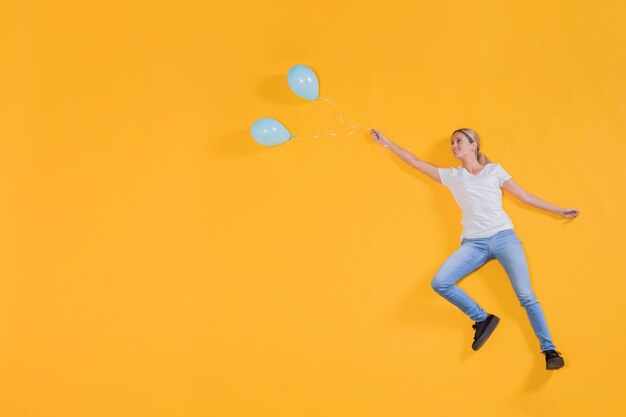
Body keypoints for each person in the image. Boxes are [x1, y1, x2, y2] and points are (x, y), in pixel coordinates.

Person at [370, 127, 579, 370]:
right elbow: (415, 162)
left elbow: (525, 196)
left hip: (503, 237)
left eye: (459, 141)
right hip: (474, 243)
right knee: (440, 282)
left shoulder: (494, 171)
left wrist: (558, 210)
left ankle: (549, 350)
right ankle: (482, 318)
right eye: (452, 142)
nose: (454, 146)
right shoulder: (453, 176)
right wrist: (386, 142)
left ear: (473, 145)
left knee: (526, 295)